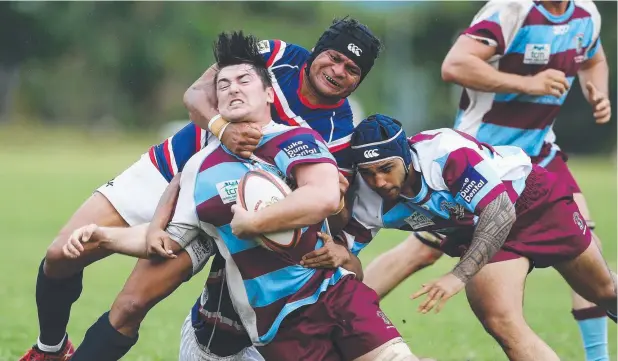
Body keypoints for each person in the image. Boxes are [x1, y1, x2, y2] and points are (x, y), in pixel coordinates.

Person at [31, 20, 382, 361]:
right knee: (61, 254)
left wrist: (333, 212)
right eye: (334, 58)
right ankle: (51, 349)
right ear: (317, 52)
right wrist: (221, 127)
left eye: (352, 69)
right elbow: (195, 93)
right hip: (173, 167)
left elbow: (325, 204)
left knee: (131, 306)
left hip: (219, 209)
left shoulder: (339, 132)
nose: (338, 71)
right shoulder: (275, 56)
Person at [362, 1, 614, 359]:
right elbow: (455, 65)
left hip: (540, 154)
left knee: (595, 259)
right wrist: (527, 83)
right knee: (421, 252)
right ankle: (344, 319)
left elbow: (593, 59)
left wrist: (597, 91)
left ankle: (598, 356)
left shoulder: (586, 14)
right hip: (481, 158)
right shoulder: (512, 10)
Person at [347, 114, 616, 361]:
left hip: (533, 204)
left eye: (386, 169)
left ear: (406, 156)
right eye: (368, 173)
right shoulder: (367, 199)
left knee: (604, 291)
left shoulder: (444, 153)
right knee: (501, 322)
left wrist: (457, 276)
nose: (379, 182)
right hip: (480, 231)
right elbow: (343, 260)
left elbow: (499, 212)